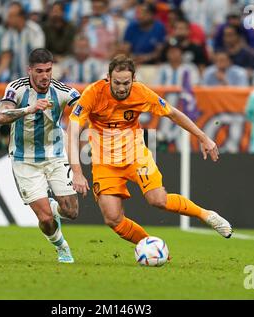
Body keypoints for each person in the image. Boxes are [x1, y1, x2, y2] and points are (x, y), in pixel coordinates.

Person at [67, 55, 232, 247]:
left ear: (134, 79)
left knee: (158, 200)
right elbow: (72, 131)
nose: (121, 88)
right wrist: (77, 172)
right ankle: (150, 247)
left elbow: (173, 113)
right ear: (108, 78)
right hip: (105, 163)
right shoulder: (93, 93)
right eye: (117, 83)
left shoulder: (141, 93)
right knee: (113, 218)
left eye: (126, 83)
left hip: (135, 156)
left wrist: (203, 137)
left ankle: (207, 215)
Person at [0, 48, 81, 263]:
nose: (45, 76)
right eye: (40, 71)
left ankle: (53, 206)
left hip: (55, 155)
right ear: (30, 71)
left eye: (48, 70)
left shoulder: (61, 90)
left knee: (71, 212)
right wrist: (29, 109)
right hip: (24, 160)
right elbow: (2, 116)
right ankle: (62, 247)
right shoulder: (16, 89)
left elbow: (85, 106)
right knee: (45, 219)